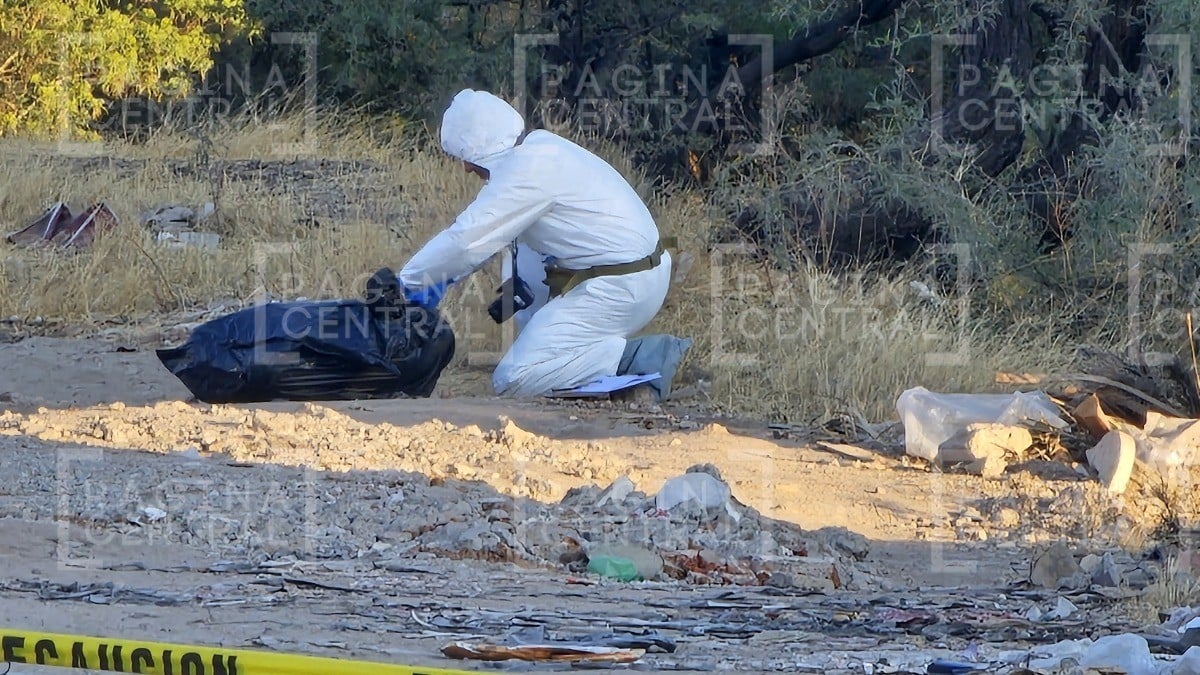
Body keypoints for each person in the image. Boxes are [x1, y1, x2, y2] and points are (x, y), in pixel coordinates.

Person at [397, 88, 689, 398]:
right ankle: (563, 357)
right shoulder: (540, 149)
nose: (467, 168)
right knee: (519, 252)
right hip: (632, 274)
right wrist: (445, 276)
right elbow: (490, 237)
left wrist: (406, 281)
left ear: (481, 150)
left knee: (512, 379)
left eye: (466, 158)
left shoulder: (527, 172)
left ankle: (640, 359)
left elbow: (468, 242)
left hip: (620, 288)